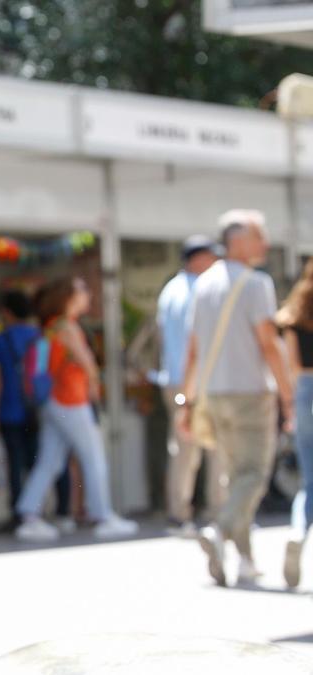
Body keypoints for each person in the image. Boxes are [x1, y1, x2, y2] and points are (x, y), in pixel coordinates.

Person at [179, 209, 293, 587]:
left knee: (234, 475)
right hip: (250, 393)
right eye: (258, 236)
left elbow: (193, 350)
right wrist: (288, 396)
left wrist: (187, 400)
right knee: (253, 475)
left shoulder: (204, 284)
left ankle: (244, 559)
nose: (264, 243)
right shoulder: (256, 283)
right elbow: (269, 344)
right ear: (238, 241)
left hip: (213, 394)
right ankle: (220, 531)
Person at [14, 277, 139, 542]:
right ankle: (102, 516)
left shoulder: (52, 327)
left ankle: (28, 515)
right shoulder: (67, 328)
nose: (88, 295)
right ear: (68, 298)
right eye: (82, 290)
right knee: (93, 458)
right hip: (71, 401)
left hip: (54, 402)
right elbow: (87, 363)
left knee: (50, 461)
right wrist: (94, 379)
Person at [0, 290, 71, 534]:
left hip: (10, 411)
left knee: (15, 464)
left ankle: (21, 513)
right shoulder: (41, 337)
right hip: (39, 410)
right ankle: (52, 510)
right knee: (42, 462)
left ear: (6, 312)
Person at [156, 235, 224, 538]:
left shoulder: (171, 289)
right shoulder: (196, 291)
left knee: (185, 449)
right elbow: (195, 345)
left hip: (176, 380)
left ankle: (180, 514)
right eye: (212, 256)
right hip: (193, 381)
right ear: (197, 258)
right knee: (203, 448)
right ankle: (214, 514)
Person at [277, 259, 313, 589]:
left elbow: (293, 366)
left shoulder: (294, 314)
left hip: (303, 390)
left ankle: (297, 532)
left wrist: (289, 408)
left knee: (308, 478)